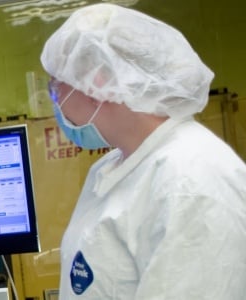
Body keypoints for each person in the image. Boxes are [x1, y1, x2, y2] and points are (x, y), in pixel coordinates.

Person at [41, 3, 246, 299]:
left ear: (98, 83)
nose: (54, 99)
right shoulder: (113, 167)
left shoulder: (191, 181)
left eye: (55, 85)